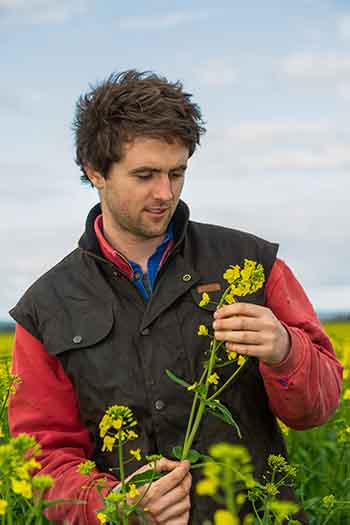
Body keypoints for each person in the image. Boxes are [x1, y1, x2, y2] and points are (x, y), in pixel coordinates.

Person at [9, 70, 342, 525]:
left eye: (177, 172)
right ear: (95, 172)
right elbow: (43, 457)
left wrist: (287, 351)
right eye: (144, 175)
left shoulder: (253, 263)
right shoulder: (44, 308)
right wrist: (114, 505)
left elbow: (318, 409)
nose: (165, 193)